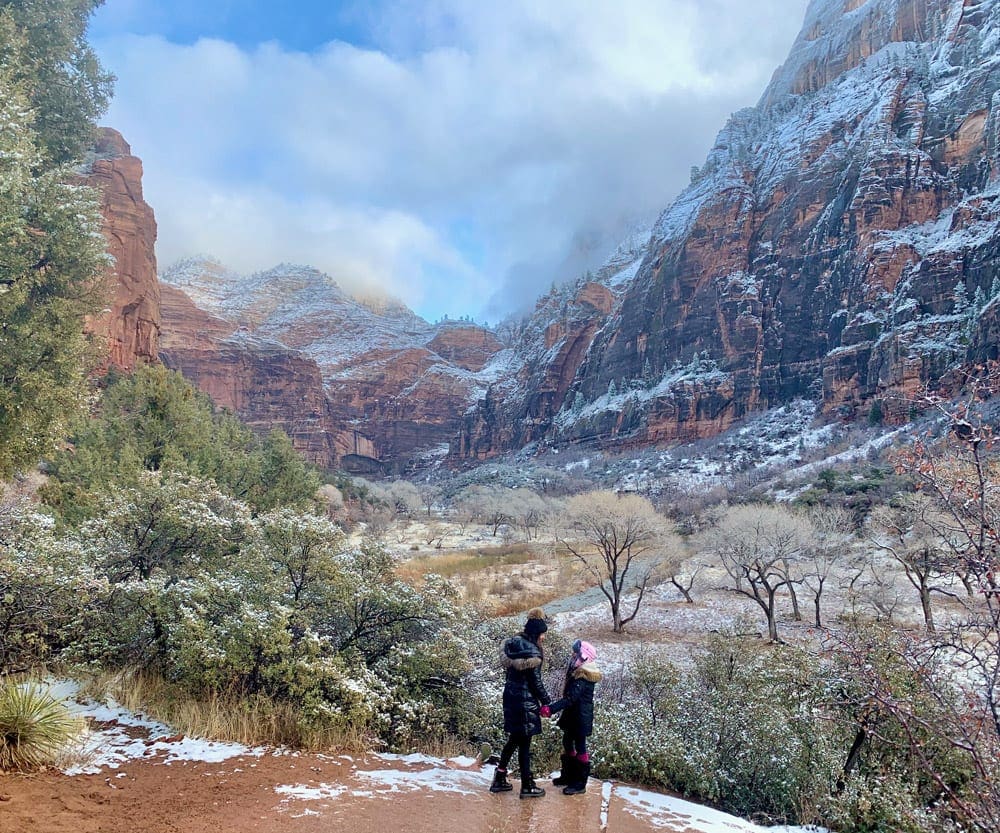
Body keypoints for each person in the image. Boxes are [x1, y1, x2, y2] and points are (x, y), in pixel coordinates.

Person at [490, 608, 552, 798]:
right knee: (524, 744)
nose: (543, 638)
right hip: (525, 703)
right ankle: (527, 785)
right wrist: (546, 700)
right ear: (536, 633)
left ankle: (500, 777)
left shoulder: (514, 645)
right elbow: (535, 682)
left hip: (511, 698)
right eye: (542, 634)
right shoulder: (533, 652)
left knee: (514, 739)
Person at [540, 638, 601, 795]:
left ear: (584, 657)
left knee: (580, 746)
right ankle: (568, 776)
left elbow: (570, 698)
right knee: (567, 741)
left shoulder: (584, 676)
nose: (573, 657)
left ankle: (579, 783)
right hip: (574, 714)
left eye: (575, 654)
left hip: (580, 716)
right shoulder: (579, 672)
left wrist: (551, 709)